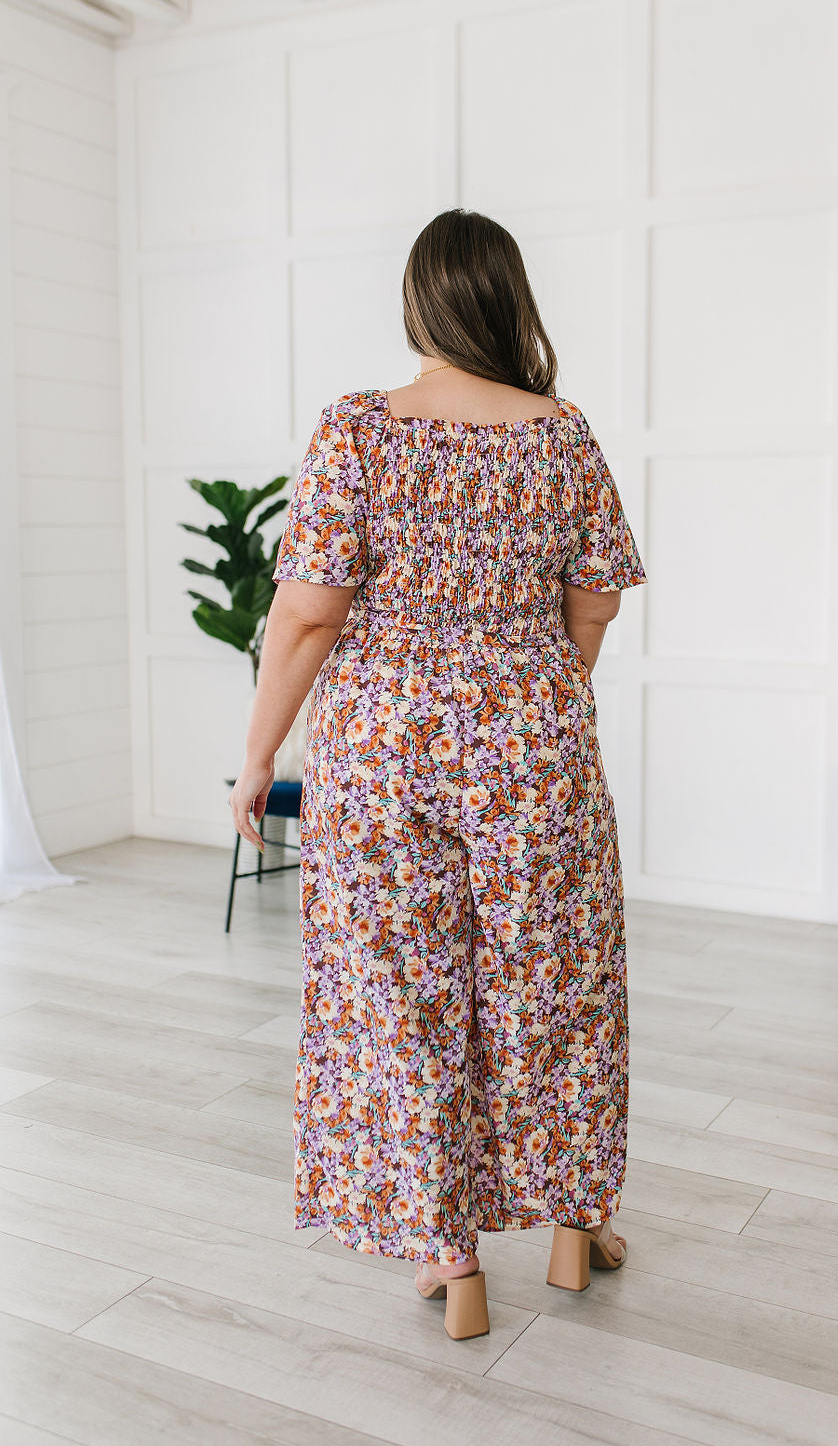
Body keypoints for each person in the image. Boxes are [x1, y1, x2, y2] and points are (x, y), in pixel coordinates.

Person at [229, 208, 647, 1341]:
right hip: (534, 745)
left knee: (401, 990)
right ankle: (574, 1226)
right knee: (554, 980)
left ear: (417, 305)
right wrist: (531, 699)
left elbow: (307, 614)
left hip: (382, 752)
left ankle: (448, 1258)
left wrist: (259, 755)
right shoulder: (563, 434)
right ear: (510, 302)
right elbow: (596, 601)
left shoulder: (357, 429)